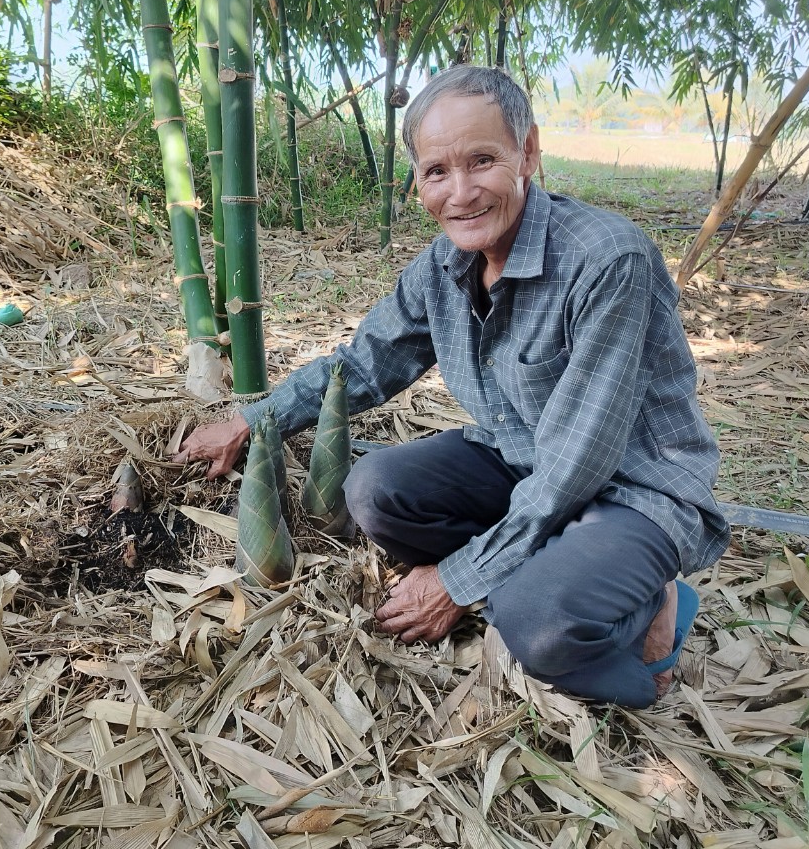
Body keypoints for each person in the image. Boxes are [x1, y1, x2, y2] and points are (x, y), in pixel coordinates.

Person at [176, 66, 728, 708]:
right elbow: (359, 366)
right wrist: (251, 421)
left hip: (631, 490)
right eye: (437, 171)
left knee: (536, 625)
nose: (460, 192)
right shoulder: (442, 268)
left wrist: (458, 579)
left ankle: (654, 617)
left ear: (528, 152)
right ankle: (561, 568)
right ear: (418, 183)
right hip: (522, 466)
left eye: (482, 160)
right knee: (375, 492)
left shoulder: (608, 259)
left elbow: (582, 461)